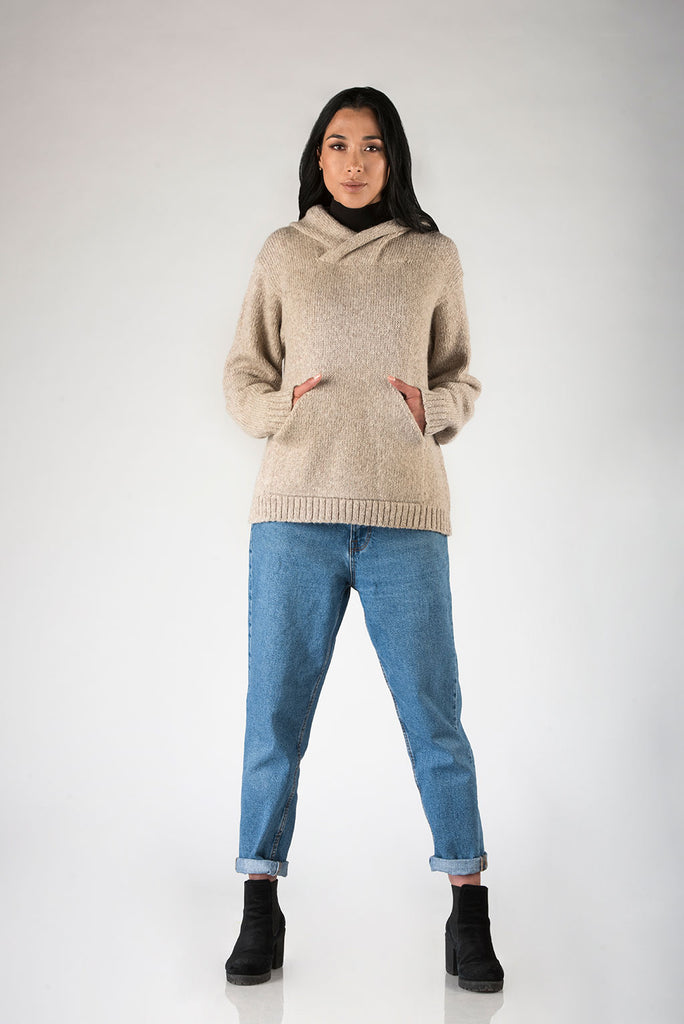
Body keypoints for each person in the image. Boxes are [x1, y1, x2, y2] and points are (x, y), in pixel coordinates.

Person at [221, 85, 503, 993]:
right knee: (275, 719)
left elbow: (460, 375)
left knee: (434, 720)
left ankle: (469, 912)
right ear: (318, 156)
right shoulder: (284, 254)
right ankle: (259, 904)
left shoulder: (430, 257)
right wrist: (277, 412)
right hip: (293, 516)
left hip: (404, 518)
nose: (353, 162)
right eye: (338, 145)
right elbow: (242, 372)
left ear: (393, 159)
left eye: (371, 146)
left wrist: (433, 408)